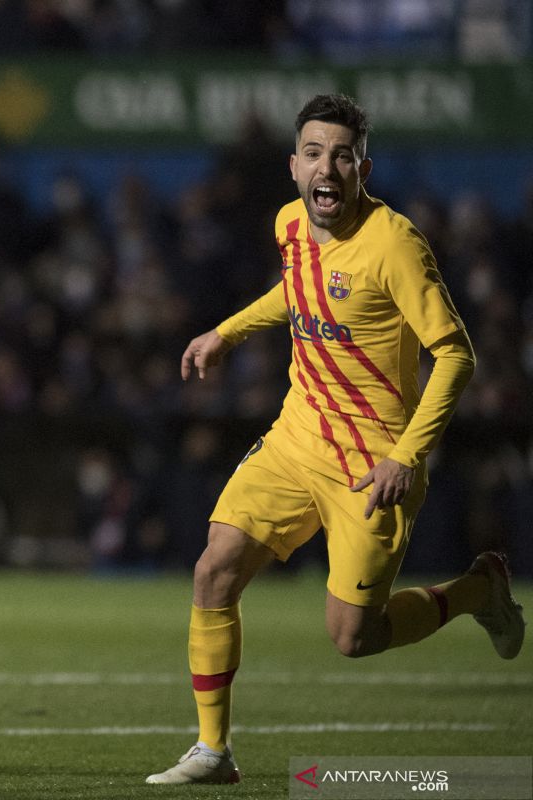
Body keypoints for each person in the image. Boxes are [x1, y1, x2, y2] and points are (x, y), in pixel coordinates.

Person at [147, 94, 525, 785]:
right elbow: (297, 291)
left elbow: (457, 354)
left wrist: (405, 456)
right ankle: (213, 750)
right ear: (295, 166)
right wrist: (226, 331)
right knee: (213, 571)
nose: (328, 167)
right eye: (315, 153)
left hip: (375, 462)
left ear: (363, 168)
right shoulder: (290, 223)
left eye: (342, 155)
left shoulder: (396, 245)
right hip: (298, 438)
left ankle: (478, 591)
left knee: (355, 637)